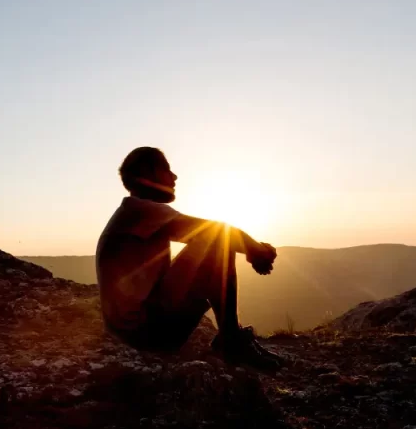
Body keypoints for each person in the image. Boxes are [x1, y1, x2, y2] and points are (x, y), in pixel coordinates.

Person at [95, 146, 286, 370]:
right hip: (146, 333)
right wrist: (258, 252)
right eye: (167, 169)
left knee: (211, 243)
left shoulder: (134, 213)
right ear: (149, 173)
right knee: (216, 243)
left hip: (132, 329)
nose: (174, 176)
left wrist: (255, 251)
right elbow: (218, 231)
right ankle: (231, 340)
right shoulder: (140, 209)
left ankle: (231, 337)